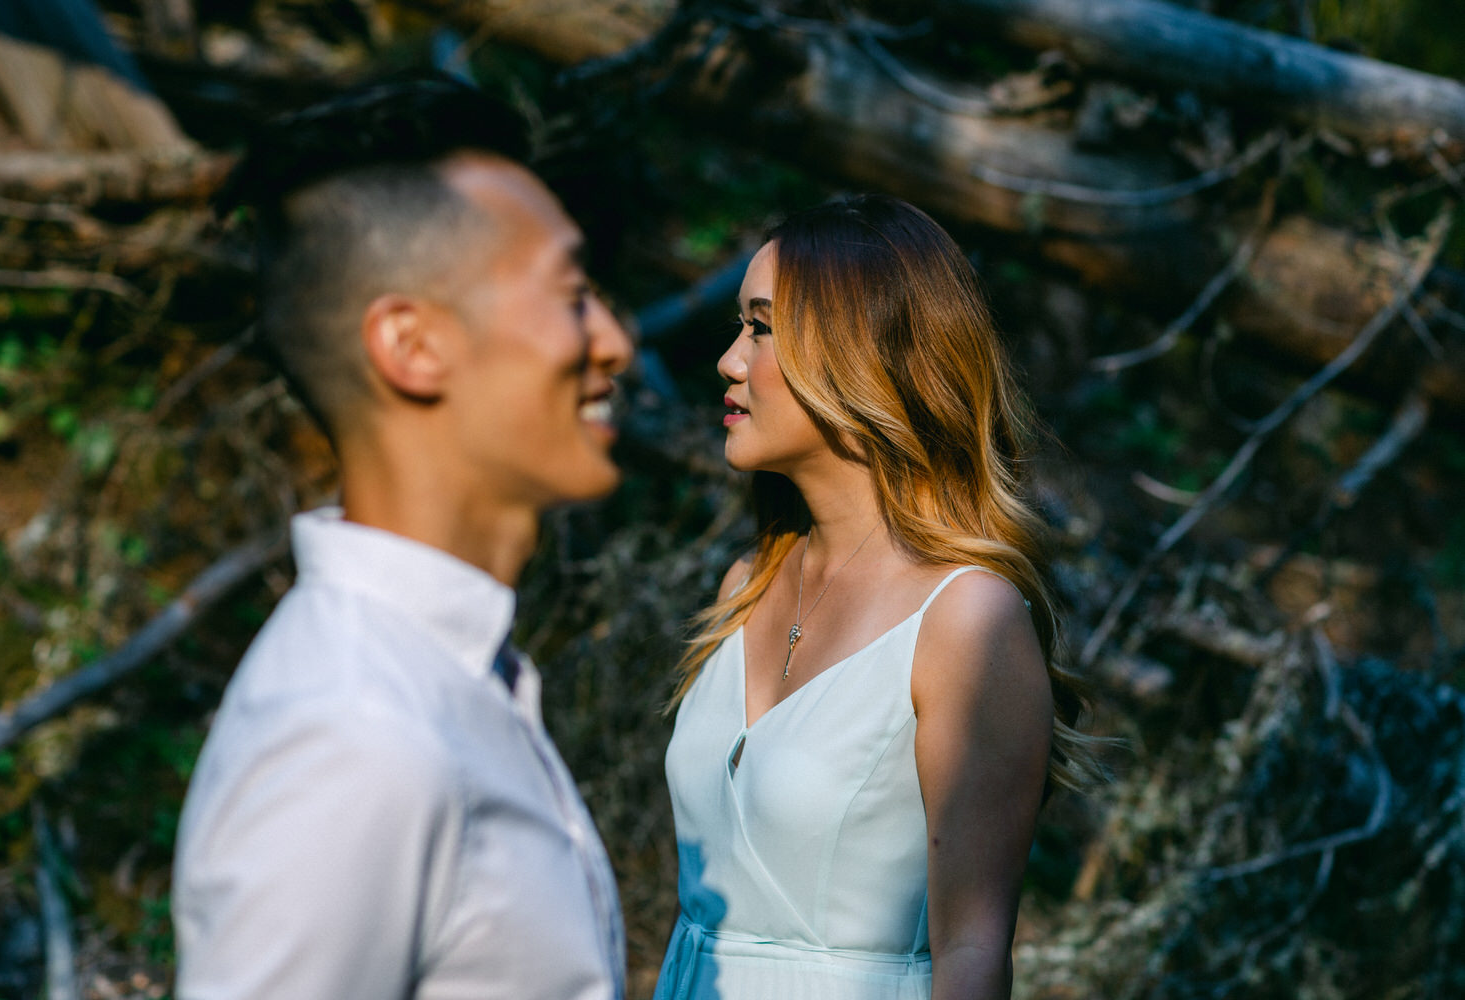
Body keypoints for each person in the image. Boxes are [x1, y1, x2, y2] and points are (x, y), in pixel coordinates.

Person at [172, 76, 633, 1000]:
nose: (615, 341)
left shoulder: (449, 679)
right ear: (412, 347)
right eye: (574, 295)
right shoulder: (354, 738)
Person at [655, 195, 1103, 1000]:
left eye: (761, 328)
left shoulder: (968, 620)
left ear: (863, 353)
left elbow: (972, 948)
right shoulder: (746, 587)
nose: (729, 359)